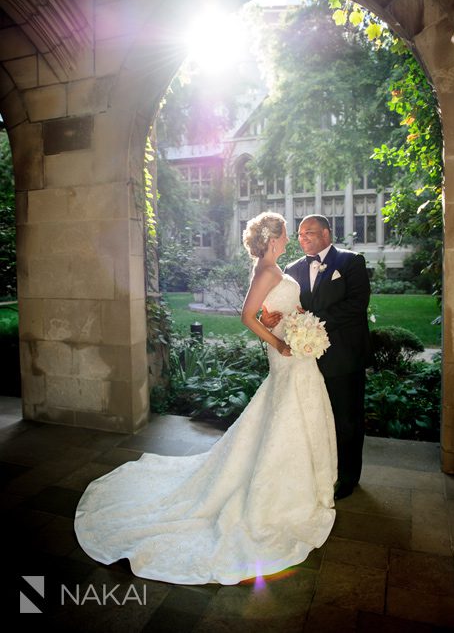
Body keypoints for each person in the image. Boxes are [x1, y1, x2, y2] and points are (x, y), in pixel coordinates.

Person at [74, 211, 337, 585]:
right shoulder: (266, 270)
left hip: (296, 350)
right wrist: (280, 340)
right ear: (275, 239)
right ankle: (280, 495)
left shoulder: (271, 268)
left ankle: (306, 485)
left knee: (292, 412)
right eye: (284, 235)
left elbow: (269, 310)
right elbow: (249, 316)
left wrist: (295, 323)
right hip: (286, 354)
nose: (288, 241)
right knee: (286, 414)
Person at [261, 214, 371, 500]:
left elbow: (356, 306)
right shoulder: (291, 268)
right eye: (299, 234)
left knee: (347, 418)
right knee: (315, 417)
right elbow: (287, 308)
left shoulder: (351, 262)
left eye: (309, 232)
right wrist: (272, 319)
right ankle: (320, 473)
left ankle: (348, 478)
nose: (302, 238)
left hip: (344, 356)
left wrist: (313, 322)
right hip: (305, 359)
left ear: (326, 233)